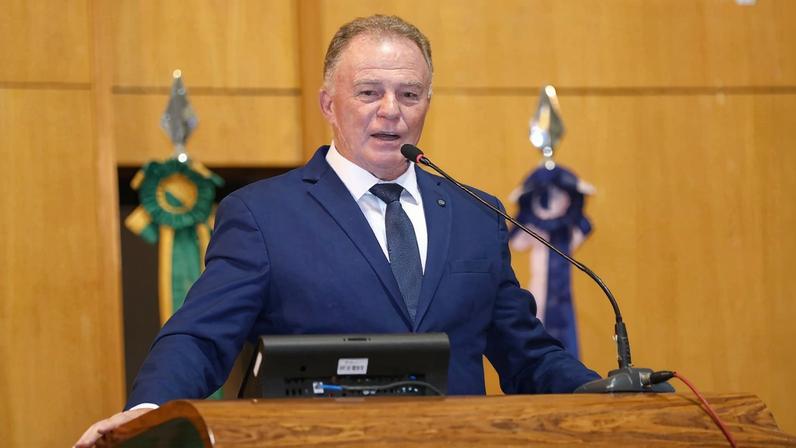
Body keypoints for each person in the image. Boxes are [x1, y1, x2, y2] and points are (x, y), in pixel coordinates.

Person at [76, 14, 599, 448]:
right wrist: (146, 412)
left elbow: (525, 352)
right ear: (329, 104)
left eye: (409, 94)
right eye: (369, 92)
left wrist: (606, 394)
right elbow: (200, 337)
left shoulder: (475, 215)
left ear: (426, 106)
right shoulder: (263, 215)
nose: (390, 112)